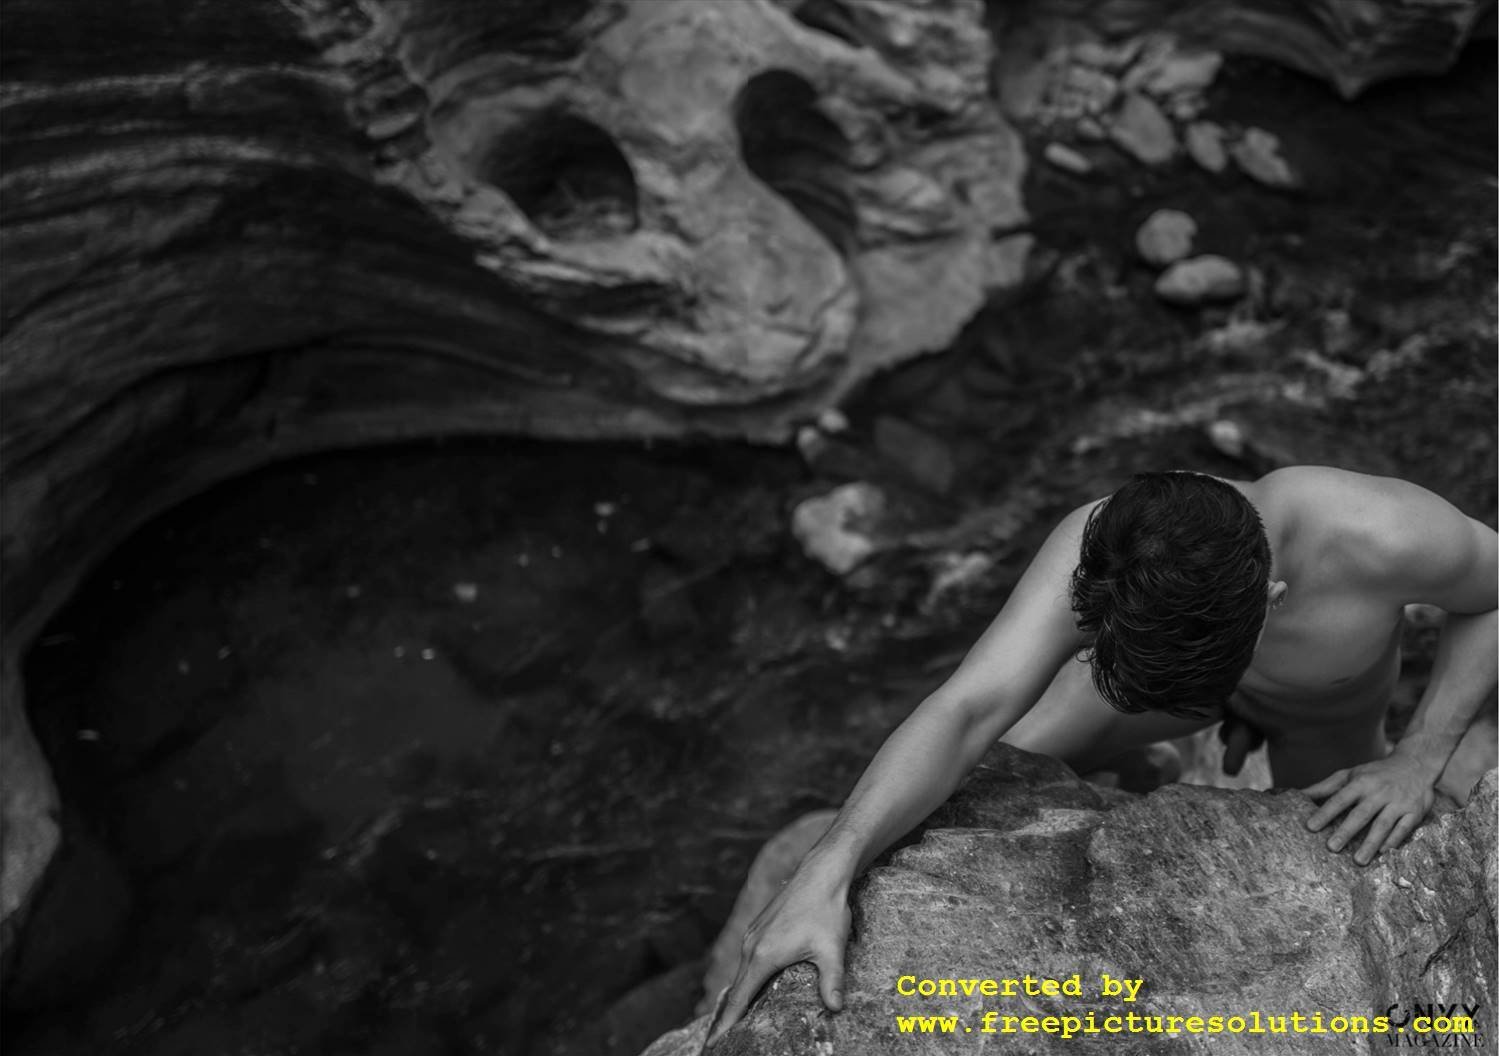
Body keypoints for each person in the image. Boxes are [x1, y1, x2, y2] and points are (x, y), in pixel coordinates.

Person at [707, 466, 1498, 1046]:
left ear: (1273, 604)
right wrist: (829, 864)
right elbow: (965, 709)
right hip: (1148, 682)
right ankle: (1144, 752)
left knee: (1345, 851)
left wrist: (1418, 758)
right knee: (996, 771)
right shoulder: (1110, 545)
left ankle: (1166, 749)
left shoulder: (1384, 532)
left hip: (1319, 714)